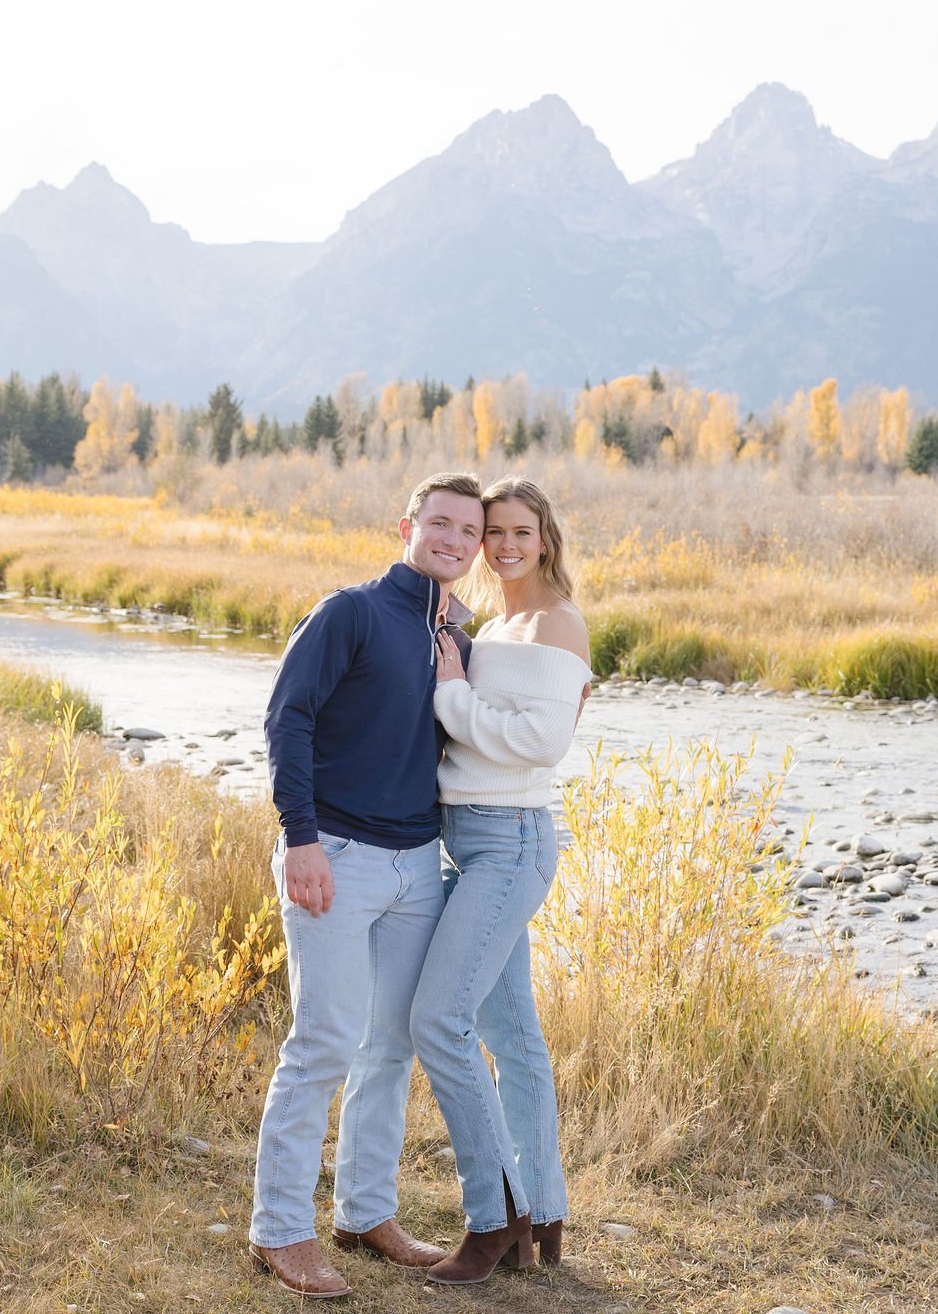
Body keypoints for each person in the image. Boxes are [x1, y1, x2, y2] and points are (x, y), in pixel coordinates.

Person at [247, 472, 484, 1300]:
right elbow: (288, 717)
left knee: (392, 1042)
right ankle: (280, 1229)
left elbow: (474, 731)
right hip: (336, 855)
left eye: (470, 531)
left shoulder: (456, 631)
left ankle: (365, 1212)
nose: (454, 539)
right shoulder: (350, 611)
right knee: (324, 1040)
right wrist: (299, 837)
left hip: (418, 862)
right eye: (441, 523)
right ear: (407, 525)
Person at [411, 476, 593, 1285]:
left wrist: (454, 696)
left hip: (512, 843)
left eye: (520, 531)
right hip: (469, 837)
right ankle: (545, 1211)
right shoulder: (494, 622)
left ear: (545, 536)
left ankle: (494, 1216)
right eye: (495, 533)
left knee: (439, 1018)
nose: (505, 545)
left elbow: (544, 742)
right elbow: (496, 736)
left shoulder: (558, 624)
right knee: (513, 1038)